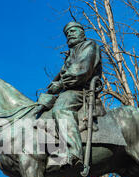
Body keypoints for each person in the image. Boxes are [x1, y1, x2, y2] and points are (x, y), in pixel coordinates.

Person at [35, 21, 105, 167]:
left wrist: (61, 84)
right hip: (69, 89)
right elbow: (61, 76)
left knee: (62, 109)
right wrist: (51, 89)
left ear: (82, 32)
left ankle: (73, 152)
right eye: (68, 33)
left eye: (73, 31)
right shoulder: (70, 55)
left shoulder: (89, 46)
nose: (70, 34)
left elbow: (81, 69)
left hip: (81, 90)